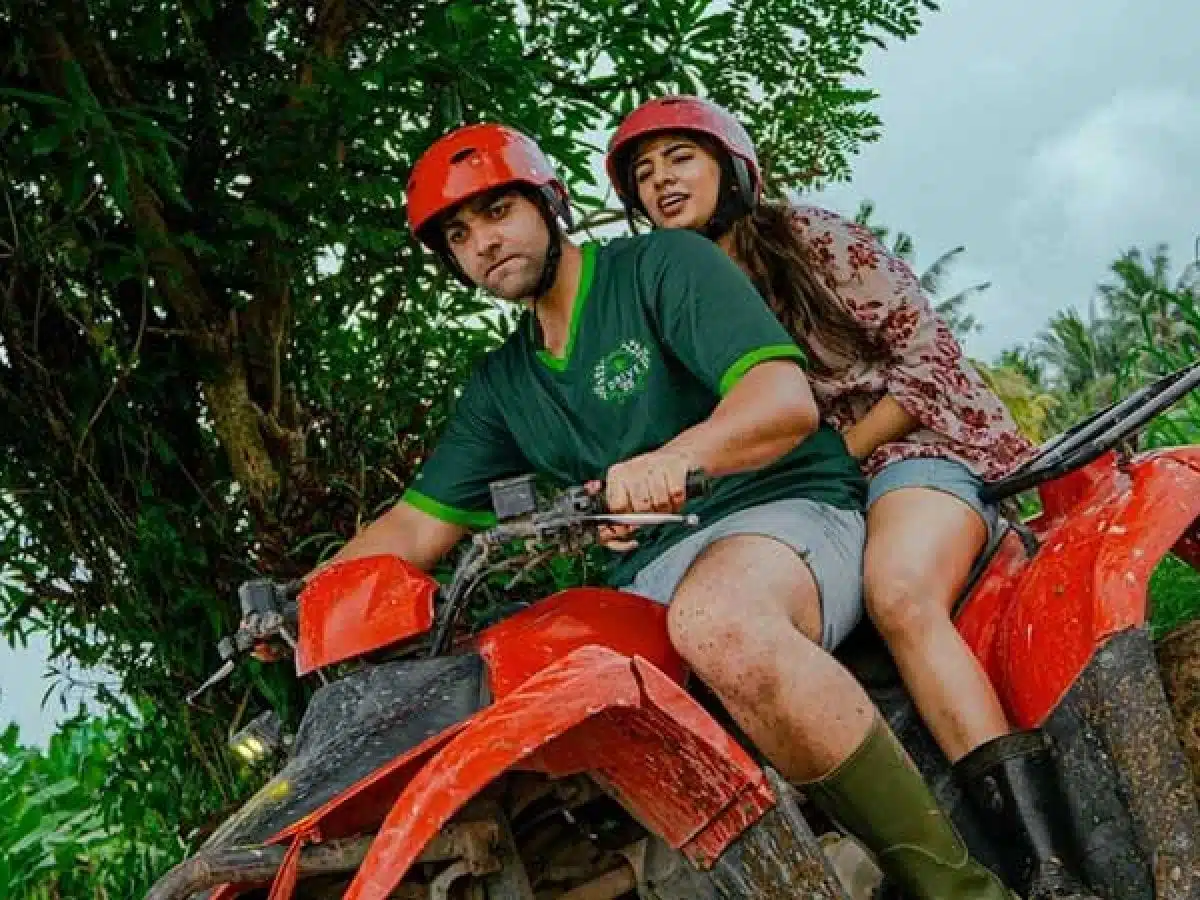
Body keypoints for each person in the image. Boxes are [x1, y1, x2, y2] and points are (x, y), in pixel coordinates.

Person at [319, 122, 1011, 898]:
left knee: (719, 621)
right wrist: (307, 605)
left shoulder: (664, 265)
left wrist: (679, 458)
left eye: (499, 211)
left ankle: (963, 890)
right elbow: (414, 526)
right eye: (459, 232)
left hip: (782, 514)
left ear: (552, 206)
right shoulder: (501, 384)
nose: (484, 240)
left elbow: (781, 401)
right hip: (648, 575)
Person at [606, 94, 1098, 900]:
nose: (661, 182)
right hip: (796, 506)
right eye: (643, 175)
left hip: (905, 454)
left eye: (678, 160)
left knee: (899, 593)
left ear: (731, 167)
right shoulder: (663, 304)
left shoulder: (810, 238)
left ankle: (1045, 866)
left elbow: (926, 359)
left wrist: (839, 452)